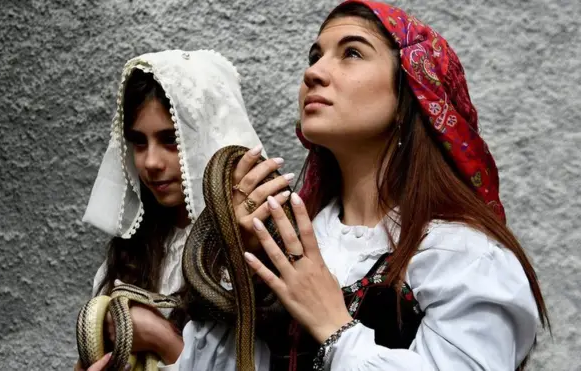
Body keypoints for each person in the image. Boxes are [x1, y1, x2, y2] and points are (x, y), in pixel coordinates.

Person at [176, 1, 550, 370]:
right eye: (314, 56)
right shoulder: (294, 243)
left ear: (410, 92)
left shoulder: (465, 257)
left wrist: (333, 328)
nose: (314, 73)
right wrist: (241, 266)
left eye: (352, 53)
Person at [74, 49, 292, 371]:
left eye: (170, 141)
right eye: (138, 142)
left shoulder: (254, 251)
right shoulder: (134, 247)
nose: (150, 163)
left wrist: (162, 339)